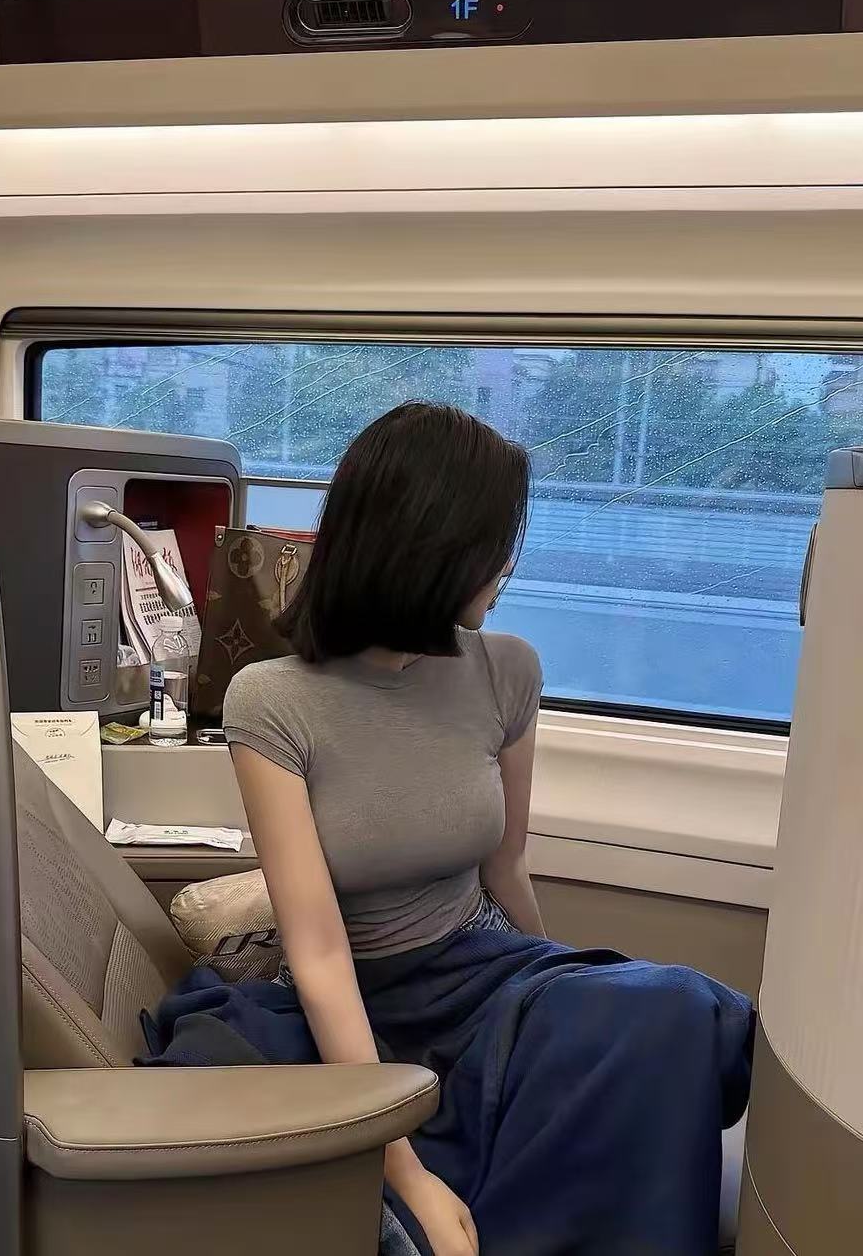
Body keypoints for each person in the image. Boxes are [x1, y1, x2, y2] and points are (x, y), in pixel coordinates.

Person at [205, 403, 752, 1255]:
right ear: (432, 551)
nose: (505, 568)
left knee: (674, 1010)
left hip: (481, 962)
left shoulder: (506, 671)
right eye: (494, 547)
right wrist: (403, 1170)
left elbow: (506, 868)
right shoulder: (271, 701)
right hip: (361, 992)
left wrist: (562, 994)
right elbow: (318, 953)